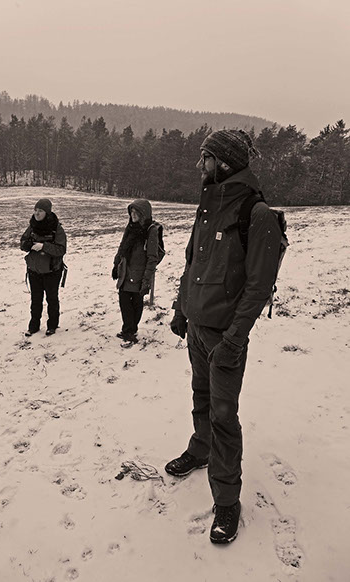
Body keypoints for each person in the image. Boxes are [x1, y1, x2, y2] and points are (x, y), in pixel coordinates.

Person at [166, 129, 282, 544]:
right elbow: (192, 263)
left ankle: (227, 500)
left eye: (206, 157)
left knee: (223, 415)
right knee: (200, 395)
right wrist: (181, 309)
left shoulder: (257, 213)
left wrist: (234, 339)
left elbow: (258, 286)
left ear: (225, 162)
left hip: (225, 337)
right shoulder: (207, 206)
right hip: (197, 327)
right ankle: (200, 449)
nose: (200, 165)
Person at [111, 199, 159, 344]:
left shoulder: (150, 231)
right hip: (125, 271)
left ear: (143, 214)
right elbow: (122, 247)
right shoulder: (130, 227)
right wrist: (116, 265)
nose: (133, 215)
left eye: (136, 212)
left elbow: (152, 257)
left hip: (139, 273)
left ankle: (130, 331)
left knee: (136, 303)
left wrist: (146, 279)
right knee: (124, 301)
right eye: (131, 212)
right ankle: (128, 329)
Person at [20, 198, 67, 337]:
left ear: (47, 212)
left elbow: (61, 249)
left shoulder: (56, 228)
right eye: (35, 210)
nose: (36, 213)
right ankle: (33, 326)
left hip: (52, 271)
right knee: (35, 300)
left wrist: (44, 246)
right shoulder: (32, 226)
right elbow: (22, 243)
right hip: (34, 270)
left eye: (40, 211)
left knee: (51, 299)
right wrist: (28, 245)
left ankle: (52, 325)